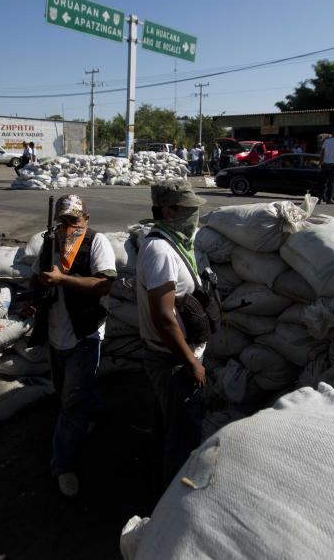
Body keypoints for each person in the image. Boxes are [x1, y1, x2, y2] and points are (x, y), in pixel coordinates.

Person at [28, 195, 116, 497]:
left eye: (74, 221)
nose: (68, 227)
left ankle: (62, 464)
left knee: (70, 404)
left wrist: (62, 280)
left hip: (84, 335)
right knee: (68, 391)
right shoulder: (48, 244)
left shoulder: (97, 242)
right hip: (56, 334)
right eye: (63, 221)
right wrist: (38, 288)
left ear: (86, 218)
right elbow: (36, 281)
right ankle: (95, 414)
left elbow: (104, 284)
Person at [136, 180, 209, 485]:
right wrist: (191, 362)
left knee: (170, 426)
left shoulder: (173, 244)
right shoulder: (161, 251)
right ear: (168, 211)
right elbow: (164, 317)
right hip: (173, 361)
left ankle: (159, 478)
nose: (194, 216)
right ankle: (172, 504)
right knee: (183, 436)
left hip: (173, 357)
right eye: (188, 210)